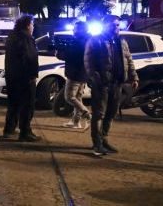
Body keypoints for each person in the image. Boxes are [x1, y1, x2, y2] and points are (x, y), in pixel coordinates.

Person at [84, 15, 138, 156]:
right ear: (106, 26)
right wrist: (96, 78)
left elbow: (129, 60)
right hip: (102, 84)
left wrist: (134, 76)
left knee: (111, 113)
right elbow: (88, 62)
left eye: (118, 25)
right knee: (99, 114)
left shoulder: (122, 42)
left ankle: (104, 139)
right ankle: (96, 143)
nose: (117, 28)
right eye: (114, 25)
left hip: (117, 83)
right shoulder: (96, 41)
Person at [3, 15, 41, 142]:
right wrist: (31, 75)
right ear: (27, 25)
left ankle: (9, 129)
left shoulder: (12, 37)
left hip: (12, 76)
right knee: (27, 105)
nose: (33, 27)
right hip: (25, 78)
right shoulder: (26, 39)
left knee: (13, 104)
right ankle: (25, 132)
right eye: (32, 25)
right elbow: (29, 58)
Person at [56, 21, 91, 129]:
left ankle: (87, 114)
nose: (73, 30)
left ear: (81, 29)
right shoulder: (88, 40)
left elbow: (71, 56)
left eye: (76, 28)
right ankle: (76, 122)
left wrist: (59, 53)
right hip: (83, 73)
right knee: (78, 97)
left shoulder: (79, 41)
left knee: (69, 97)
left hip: (75, 73)